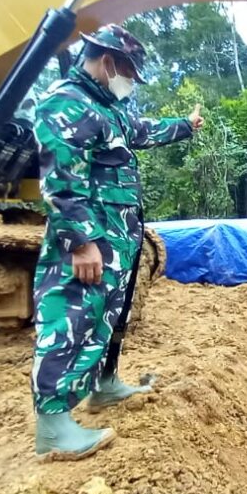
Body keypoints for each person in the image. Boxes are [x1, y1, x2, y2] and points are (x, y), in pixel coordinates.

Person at [30, 24, 204, 461]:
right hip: (92, 239)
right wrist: (81, 241)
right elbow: (60, 181)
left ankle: (104, 385)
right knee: (69, 318)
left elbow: (144, 130)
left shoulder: (110, 109)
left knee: (108, 315)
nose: (131, 82)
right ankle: (52, 427)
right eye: (129, 71)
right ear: (107, 61)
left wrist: (186, 125)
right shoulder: (65, 103)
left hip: (119, 240)